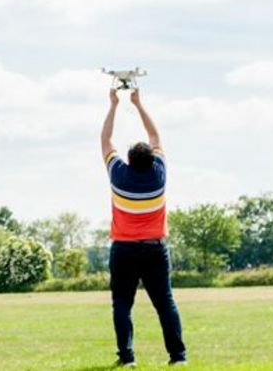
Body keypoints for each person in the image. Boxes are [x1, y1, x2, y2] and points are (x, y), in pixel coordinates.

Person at [102, 85, 185, 366]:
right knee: (165, 303)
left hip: (123, 249)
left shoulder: (119, 175)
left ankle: (127, 359)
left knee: (122, 305)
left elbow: (105, 140)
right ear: (152, 160)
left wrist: (113, 105)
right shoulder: (158, 175)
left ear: (129, 160)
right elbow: (156, 136)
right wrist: (138, 104)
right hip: (155, 249)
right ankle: (178, 357)